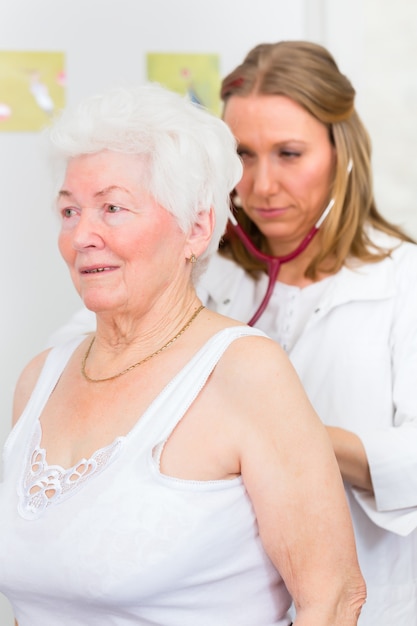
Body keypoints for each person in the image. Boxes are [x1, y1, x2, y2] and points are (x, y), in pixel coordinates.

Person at [47, 41, 417, 625]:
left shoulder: (403, 280)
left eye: (290, 154)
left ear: (342, 153)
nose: (263, 185)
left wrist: (282, 433)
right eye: (244, 155)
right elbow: (73, 364)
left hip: (375, 605)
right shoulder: (196, 268)